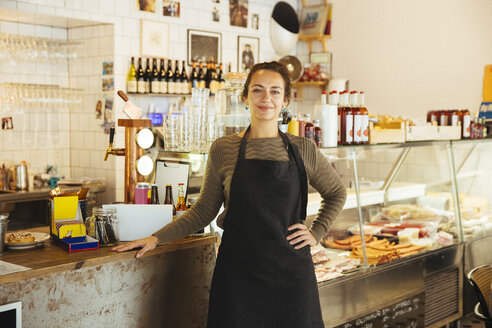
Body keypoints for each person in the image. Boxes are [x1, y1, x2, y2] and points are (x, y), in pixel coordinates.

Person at [112, 61, 347, 327]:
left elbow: (337, 192)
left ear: (285, 101)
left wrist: (316, 233)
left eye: (275, 91)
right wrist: (156, 238)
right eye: (257, 90)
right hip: (239, 276)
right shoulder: (223, 149)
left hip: (290, 277)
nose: (266, 98)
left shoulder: (303, 149)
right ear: (245, 97)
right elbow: (204, 210)